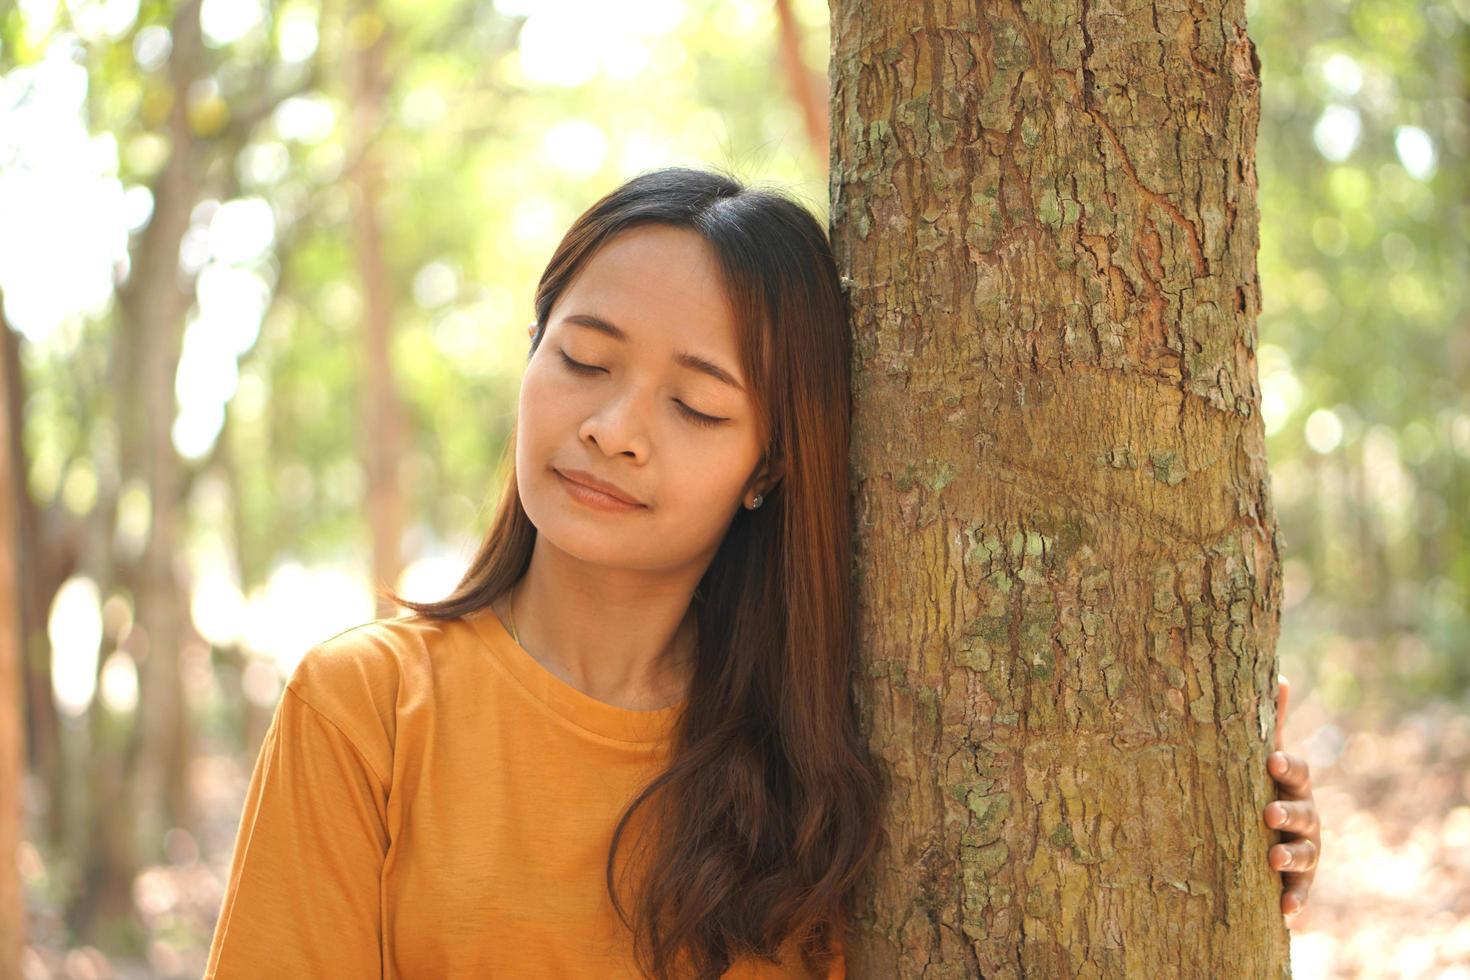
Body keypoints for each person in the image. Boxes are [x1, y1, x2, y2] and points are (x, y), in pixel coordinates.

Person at [203, 166, 1320, 979]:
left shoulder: (828, 752)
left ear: (768, 464)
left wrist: (1232, 847)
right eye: (583, 359)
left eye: (694, 405)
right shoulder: (367, 707)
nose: (614, 429)